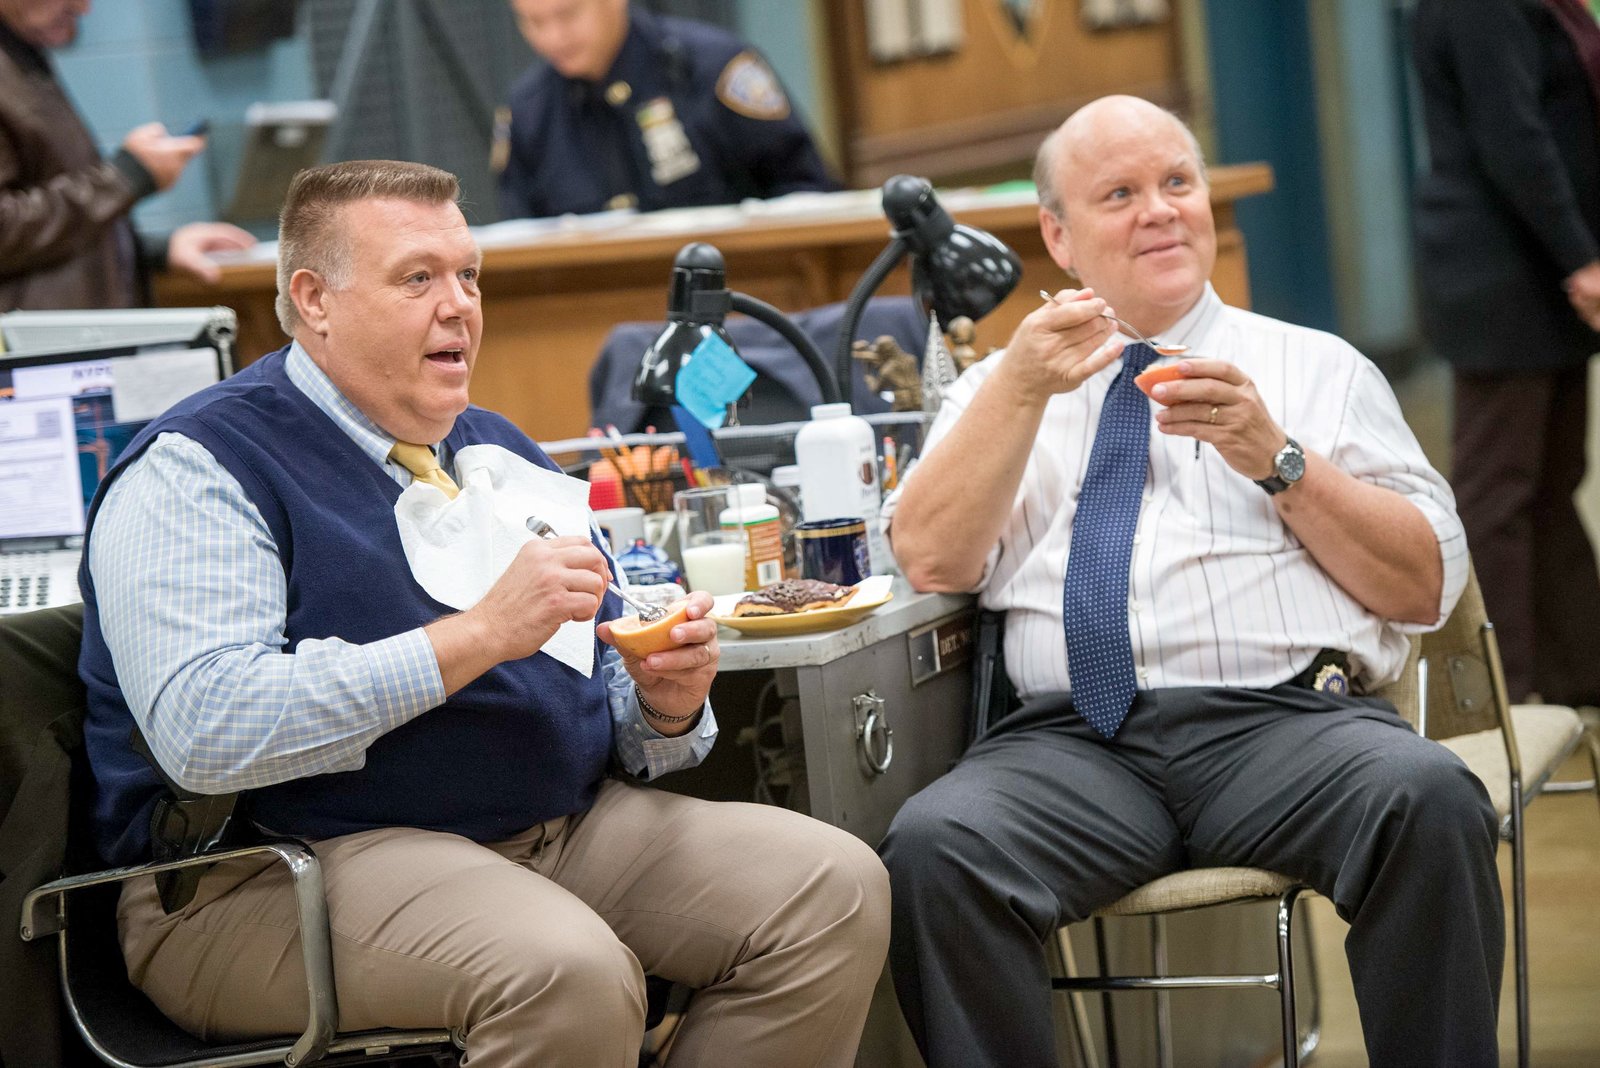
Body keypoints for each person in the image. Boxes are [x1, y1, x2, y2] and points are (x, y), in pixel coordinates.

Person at [78, 159, 889, 1066]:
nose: (459, 304)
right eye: (417, 277)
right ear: (314, 300)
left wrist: (665, 703)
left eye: (468, 274)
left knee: (832, 890)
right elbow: (206, 730)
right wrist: (479, 636)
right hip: (266, 870)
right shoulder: (200, 466)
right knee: (563, 972)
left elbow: (612, 702)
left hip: (545, 830)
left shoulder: (499, 448)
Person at [878, 95, 1503, 1068]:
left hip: (1286, 727)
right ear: (1058, 236)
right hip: (1073, 744)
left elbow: (1422, 586)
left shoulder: (1317, 369)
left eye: (1177, 182)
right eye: (1119, 194)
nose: (1160, 209)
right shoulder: (999, 389)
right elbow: (928, 559)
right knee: (933, 848)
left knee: (1428, 798)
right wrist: (1019, 389)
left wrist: (1277, 459)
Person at [1410, 0, 1600, 707]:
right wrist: (1581, 258)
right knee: (1498, 497)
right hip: (1505, 276)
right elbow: (1512, 135)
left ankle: (1579, 678)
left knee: (1553, 483)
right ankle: (1496, 702)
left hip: (1543, 276)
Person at [0, 0, 254, 312]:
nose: (83, 8)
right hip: (33, 338)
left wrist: (155, 251)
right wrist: (125, 177)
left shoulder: (21, 58)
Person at [499, 0, 837, 220]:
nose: (553, 38)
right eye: (533, 22)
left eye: (567, 15)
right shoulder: (528, 112)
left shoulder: (712, 69)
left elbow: (808, 193)